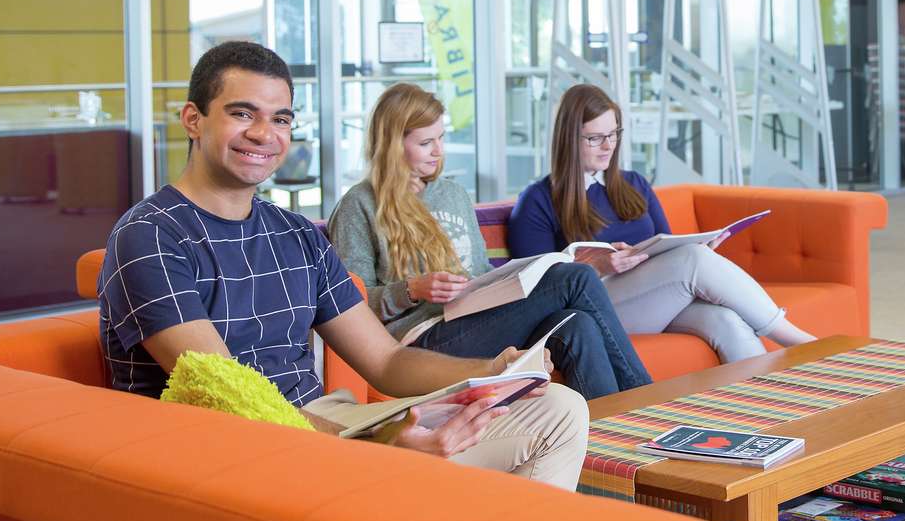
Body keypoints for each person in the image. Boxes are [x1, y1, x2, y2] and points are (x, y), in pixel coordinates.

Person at [98, 42, 587, 488]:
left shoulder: (293, 235)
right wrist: (376, 447)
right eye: (242, 113)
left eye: (281, 119)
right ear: (192, 119)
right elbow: (222, 393)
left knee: (559, 408)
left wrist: (494, 370)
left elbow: (387, 361)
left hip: (328, 425)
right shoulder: (151, 234)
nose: (264, 134)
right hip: (231, 449)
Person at [327, 83, 651, 400]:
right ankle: (646, 400)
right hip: (420, 341)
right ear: (393, 145)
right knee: (577, 277)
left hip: (473, 321)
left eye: (441, 138)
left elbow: (480, 270)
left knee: (576, 326)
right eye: (426, 142)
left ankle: (606, 439)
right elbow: (348, 307)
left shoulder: (452, 194)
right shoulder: (359, 205)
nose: (439, 151)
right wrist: (412, 289)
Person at [507, 83, 818, 364]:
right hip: (593, 308)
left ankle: (764, 414)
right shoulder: (538, 200)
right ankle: (795, 339)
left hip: (651, 300)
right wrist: (598, 267)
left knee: (726, 321)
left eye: (614, 134)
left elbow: (668, 247)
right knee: (694, 259)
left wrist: (700, 246)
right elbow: (535, 290)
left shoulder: (634, 184)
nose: (608, 145)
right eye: (595, 138)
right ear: (568, 139)